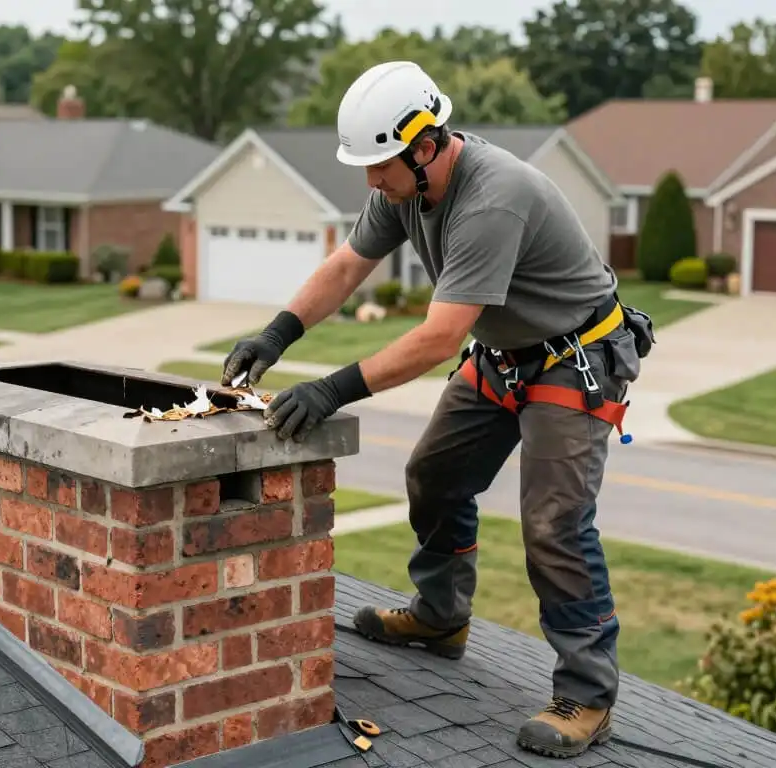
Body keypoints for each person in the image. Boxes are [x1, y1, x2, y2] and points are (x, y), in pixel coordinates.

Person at [220, 60, 656, 759]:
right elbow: (344, 268)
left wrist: (329, 389)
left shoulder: (493, 197)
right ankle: (441, 617)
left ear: (425, 146)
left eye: (380, 164)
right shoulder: (404, 189)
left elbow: (438, 337)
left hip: (574, 362)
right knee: (433, 476)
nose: (371, 181)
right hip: (504, 358)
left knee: (553, 523)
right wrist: (278, 332)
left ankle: (588, 694)